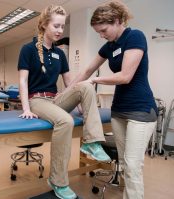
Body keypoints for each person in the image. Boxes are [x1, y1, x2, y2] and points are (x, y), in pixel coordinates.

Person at [18, 5, 110, 199]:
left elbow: (70, 83)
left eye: (63, 26)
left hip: (56, 99)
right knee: (65, 121)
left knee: (85, 85)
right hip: (38, 100)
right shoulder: (28, 49)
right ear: (44, 25)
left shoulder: (60, 54)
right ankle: (58, 181)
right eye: (56, 26)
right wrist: (25, 107)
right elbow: (23, 81)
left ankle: (92, 142)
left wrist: (80, 105)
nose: (60, 30)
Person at [71, 1, 158, 199]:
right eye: (98, 33)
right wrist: (68, 92)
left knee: (133, 166)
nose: (101, 35)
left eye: (103, 30)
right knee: (126, 163)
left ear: (117, 21)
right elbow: (86, 70)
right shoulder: (110, 46)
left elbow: (125, 76)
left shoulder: (135, 37)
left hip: (141, 111)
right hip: (119, 111)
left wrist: (94, 81)